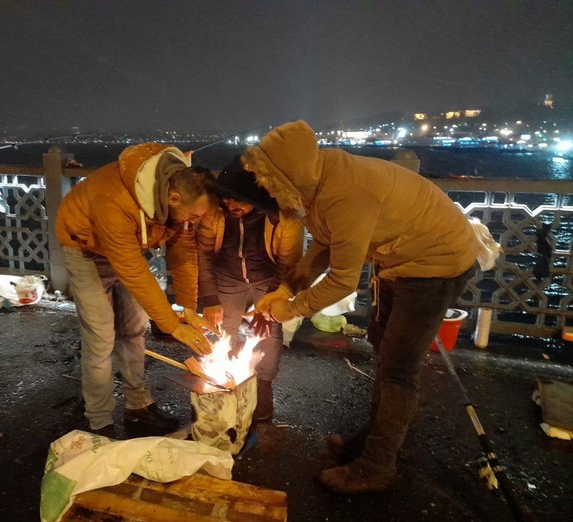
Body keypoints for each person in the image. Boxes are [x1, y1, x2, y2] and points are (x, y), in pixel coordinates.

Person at [245, 121, 480, 494]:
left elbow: (342, 280)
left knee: (399, 369)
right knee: (383, 351)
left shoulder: (345, 192)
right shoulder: (319, 181)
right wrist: (285, 288)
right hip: (399, 262)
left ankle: (377, 465)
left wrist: (290, 308)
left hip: (435, 265)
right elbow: (323, 246)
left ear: (286, 178)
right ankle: (374, 440)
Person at [55, 143, 216, 437]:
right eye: (191, 217)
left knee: (134, 329)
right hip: (85, 247)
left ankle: (138, 405)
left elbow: (182, 253)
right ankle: (100, 421)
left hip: (126, 247)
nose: (191, 223)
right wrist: (171, 325)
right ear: (174, 197)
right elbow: (132, 269)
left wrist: (188, 309)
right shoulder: (114, 201)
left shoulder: (175, 197)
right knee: (101, 337)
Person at [196, 156, 304, 422]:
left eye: (240, 200)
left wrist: (269, 303)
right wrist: (210, 298)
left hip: (268, 280)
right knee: (223, 331)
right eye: (226, 198)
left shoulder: (285, 217)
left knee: (268, 332)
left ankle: (262, 397)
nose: (230, 205)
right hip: (227, 276)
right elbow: (204, 253)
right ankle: (222, 390)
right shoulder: (214, 210)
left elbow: (288, 265)